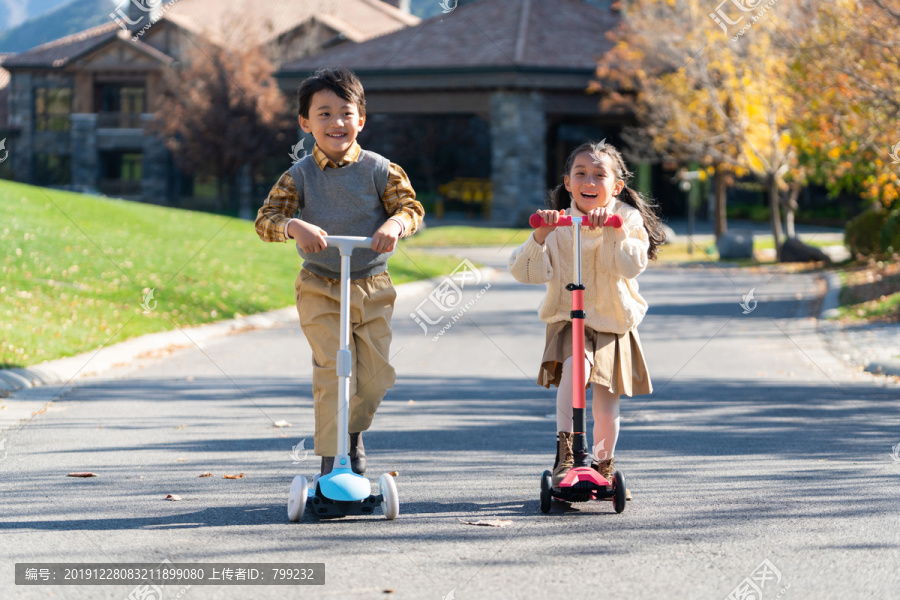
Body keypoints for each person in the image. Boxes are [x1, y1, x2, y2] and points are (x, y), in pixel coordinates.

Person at [255, 67, 424, 476]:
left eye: (345, 113)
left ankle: (351, 434)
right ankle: (332, 459)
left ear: (361, 120)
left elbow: (410, 208)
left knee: (376, 376)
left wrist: (394, 225)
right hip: (320, 284)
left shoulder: (381, 169)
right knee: (333, 368)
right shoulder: (298, 175)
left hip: (372, 283)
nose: (336, 123)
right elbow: (267, 219)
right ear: (305, 123)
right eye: (324, 114)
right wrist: (294, 226)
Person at [508, 140, 665, 498]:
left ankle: (603, 463)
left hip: (612, 319)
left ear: (616, 186)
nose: (589, 181)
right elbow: (524, 271)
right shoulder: (559, 220)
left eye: (599, 175)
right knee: (575, 369)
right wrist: (540, 235)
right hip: (568, 316)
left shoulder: (626, 218)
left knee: (607, 401)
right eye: (581, 174)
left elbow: (630, 265)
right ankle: (567, 456)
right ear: (568, 183)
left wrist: (615, 231)